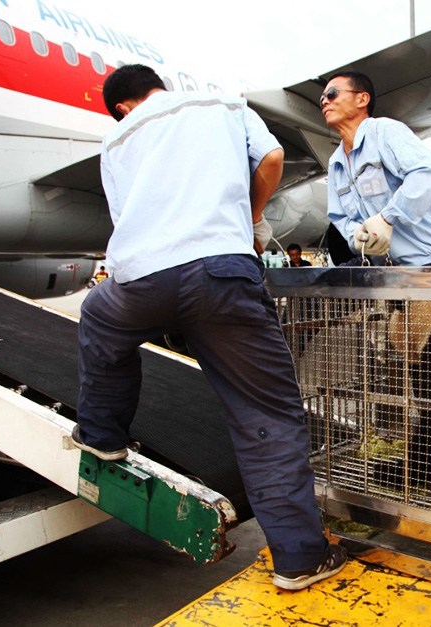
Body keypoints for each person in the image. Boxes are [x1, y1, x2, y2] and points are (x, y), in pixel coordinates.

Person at [71, 64, 346, 591]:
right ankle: (300, 558)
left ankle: (102, 436)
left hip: (139, 281)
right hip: (220, 270)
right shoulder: (221, 104)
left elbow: (126, 215)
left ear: (123, 105)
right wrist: (252, 216)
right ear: (158, 87)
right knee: (264, 413)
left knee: (98, 317)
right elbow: (271, 158)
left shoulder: (117, 138)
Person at [320, 71, 431, 266]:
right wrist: (355, 235)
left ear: (362, 99)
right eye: (321, 98)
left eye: (332, 94)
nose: (324, 101)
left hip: (424, 267)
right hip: (382, 271)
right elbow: (339, 216)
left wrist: (386, 218)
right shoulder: (335, 163)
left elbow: (428, 171)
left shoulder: (385, 131)